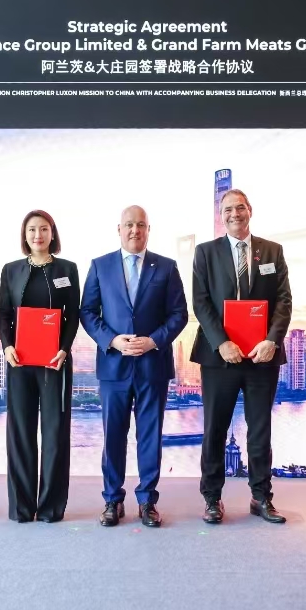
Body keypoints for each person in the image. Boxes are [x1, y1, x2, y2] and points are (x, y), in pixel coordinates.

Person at [80, 206, 187, 528]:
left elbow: (179, 314)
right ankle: (112, 500)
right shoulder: (100, 266)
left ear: (148, 229)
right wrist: (112, 340)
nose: (135, 230)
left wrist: (154, 341)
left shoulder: (166, 267)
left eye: (141, 225)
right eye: (129, 224)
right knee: (113, 436)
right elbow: (87, 312)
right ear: (119, 229)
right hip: (113, 367)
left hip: (153, 366)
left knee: (150, 437)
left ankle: (147, 501)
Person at [191, 189, 292, 524]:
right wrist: (221, 343)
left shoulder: (272, 251)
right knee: (215, 429)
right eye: (227, 210)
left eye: (240, 208)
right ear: (221, 216)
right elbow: (201, 302)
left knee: (260, 430)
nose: (234, 214)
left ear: (250, 210)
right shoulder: (206, 252)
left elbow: (284, 301)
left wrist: (272, 341)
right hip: (219, 357)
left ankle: (261, 497)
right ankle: (212, 499)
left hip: (262, 356)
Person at [0, 210, 80, 522]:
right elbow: (3, 314)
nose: (37, 235)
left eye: (43, 229)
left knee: (55, 433)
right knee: (20, 433)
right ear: (25, 234)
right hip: (19, 362)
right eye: (32, 229)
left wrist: (64, 349)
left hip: (54, 362)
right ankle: (21, 507)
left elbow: (73, 314)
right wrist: (7, 345)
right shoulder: (11, 270)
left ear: (52, 233)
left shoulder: (67, 269)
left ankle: (50, 508)